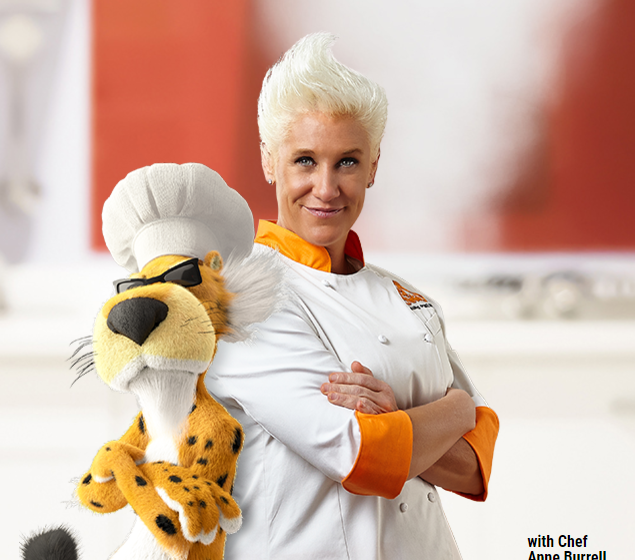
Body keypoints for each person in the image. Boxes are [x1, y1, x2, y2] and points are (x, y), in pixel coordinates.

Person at [206, 32, 499, 559]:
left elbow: (477, 465)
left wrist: (399, 418)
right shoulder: (244, 297)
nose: (326, 188)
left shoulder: (408, 299)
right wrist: (455, 409)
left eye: (347, 162)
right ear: (269, 161)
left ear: (373, 166)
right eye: (304, 160)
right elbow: (364, 457)